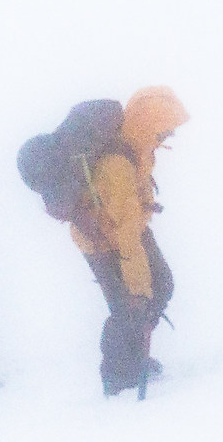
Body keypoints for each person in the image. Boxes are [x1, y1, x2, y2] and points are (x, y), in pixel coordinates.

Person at [61, 87, 189, 395]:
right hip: (103, 240)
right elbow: (126, 237)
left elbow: (132, 215)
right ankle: (117, 376)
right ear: (148, 124)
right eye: (164, 129)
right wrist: (138, 288)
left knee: (160, 286)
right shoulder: (118, 164)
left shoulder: (140, 148)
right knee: (129, 304)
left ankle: (134, 359)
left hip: (126, 227)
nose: (168, 136)